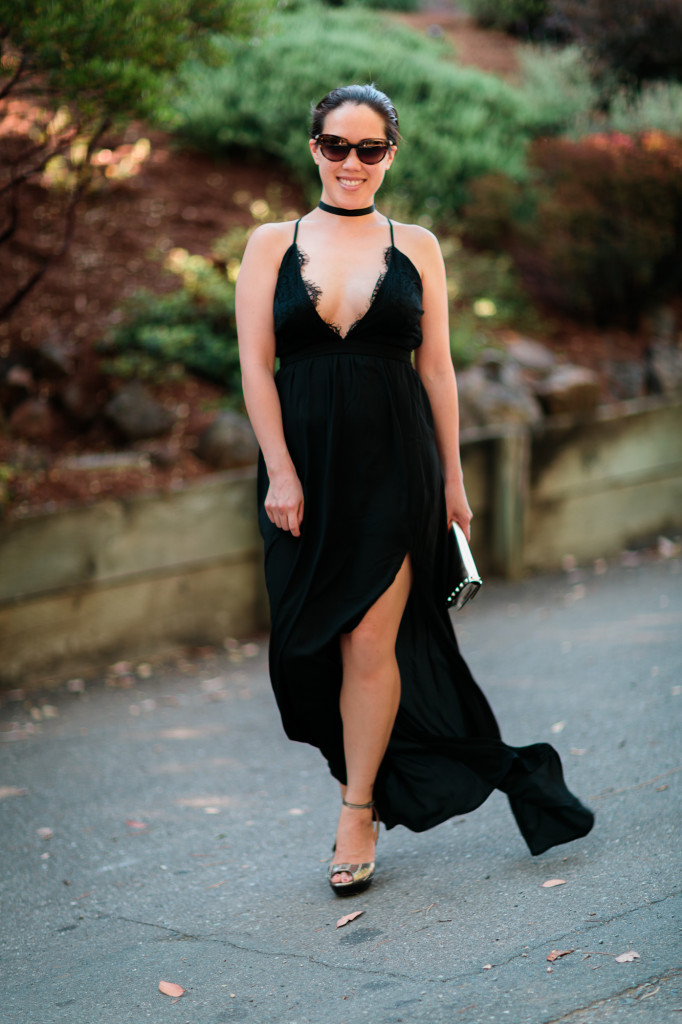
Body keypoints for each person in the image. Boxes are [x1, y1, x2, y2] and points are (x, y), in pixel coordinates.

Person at [236, 84, 594, 896]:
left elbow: (435, 369)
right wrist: (282, 470)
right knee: (302, 651)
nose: (352, 163)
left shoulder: (418, 245)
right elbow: (258, 366)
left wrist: (453, 482)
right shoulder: (270, 243)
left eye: (369, 149)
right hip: (305, 471)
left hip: (397, 470)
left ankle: (356, 810)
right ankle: (376, 771)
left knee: (372, 645)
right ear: (313, 147)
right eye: (337, 145)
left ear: (390, 155)